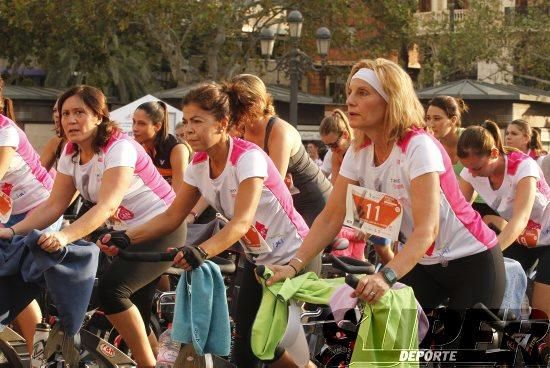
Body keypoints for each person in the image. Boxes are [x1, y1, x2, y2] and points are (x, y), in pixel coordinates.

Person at [104, 82, 318, 367]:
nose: (188, 129)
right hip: (259, 264)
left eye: (197, 121)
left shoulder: (248, 158)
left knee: (268, 345)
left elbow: (242, 222)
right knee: (244, 349)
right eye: (186, 121)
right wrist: (126, 237)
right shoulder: (199, 165)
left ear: (222, 124)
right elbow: (172, 216)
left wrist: (201, 251)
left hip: (296, 256)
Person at [266, 58, 505, 312]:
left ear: (390, 100)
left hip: (473, 260)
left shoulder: (418, 146)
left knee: (459, 350)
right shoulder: (358, 152)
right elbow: (331, 216)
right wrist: (294, 265)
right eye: (350, 92)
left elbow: (427, 229)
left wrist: (385, 277)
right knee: (386, 341)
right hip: (422, 263)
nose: (350, 101)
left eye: (363, 93)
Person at [0, 85, 186, 367]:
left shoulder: (119, 148)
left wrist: (64, 236)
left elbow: (107, 206)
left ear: (99, 116)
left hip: (161, 227)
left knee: (113, 292)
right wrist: (13, 231)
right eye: (65, 114)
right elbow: (53, 206)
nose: (71, 120)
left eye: (79, 113)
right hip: (123, 234)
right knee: (122, 304)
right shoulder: (71, 152)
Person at [457, 120, 550, 321]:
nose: (472, 173)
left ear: (494, 154)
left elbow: (520, 219)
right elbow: (458, 212)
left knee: (542, 312)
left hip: (543, 235)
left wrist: (490, 252)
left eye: (477, 168)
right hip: (523, 239)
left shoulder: (523, 167)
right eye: (467, 168)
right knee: (495, 281)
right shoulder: (471, 169)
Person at [0, 84, 60, 354]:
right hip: (9, 213)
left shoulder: (6, 131)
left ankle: (39, 354)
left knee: (14, 282)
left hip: (40, 208)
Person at [226, 74, 332, 227]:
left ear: (259, 102)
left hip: (313, 201)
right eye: (233, 106)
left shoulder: (279, 132)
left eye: (241, 105)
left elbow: (274, 182)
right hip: (284, 203)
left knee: (301, 249)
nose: (236, 111)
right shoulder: (240, 130)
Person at [319, 109, 393, 263]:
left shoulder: (360, 150)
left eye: (333, 144)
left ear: (345, 135)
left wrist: (367, 224)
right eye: (327, 146)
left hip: (379, 201)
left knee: (384, 249)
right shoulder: (335, 155)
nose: (332, 149)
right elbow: (337, 192)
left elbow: (373, 189)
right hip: (360, 206)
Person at [426, 96, 497, 218]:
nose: (430, 124)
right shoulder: (429, 144)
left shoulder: (471, 138)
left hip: (485, 203)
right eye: (428, 118)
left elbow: (473, 186)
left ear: (453, 120)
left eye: (437, 118)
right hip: (453, 206)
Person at [132, 100, 190, 191]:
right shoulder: (136, 146)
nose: (135, 128)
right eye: (134, 122)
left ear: (157, 126)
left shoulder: (177, 149)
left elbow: (178, 194)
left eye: (141, 124)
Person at [40, 99, 66, 172]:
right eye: (55, 110)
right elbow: (38, 174)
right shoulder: (57, 142)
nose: (57, 115)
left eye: (64, 111)